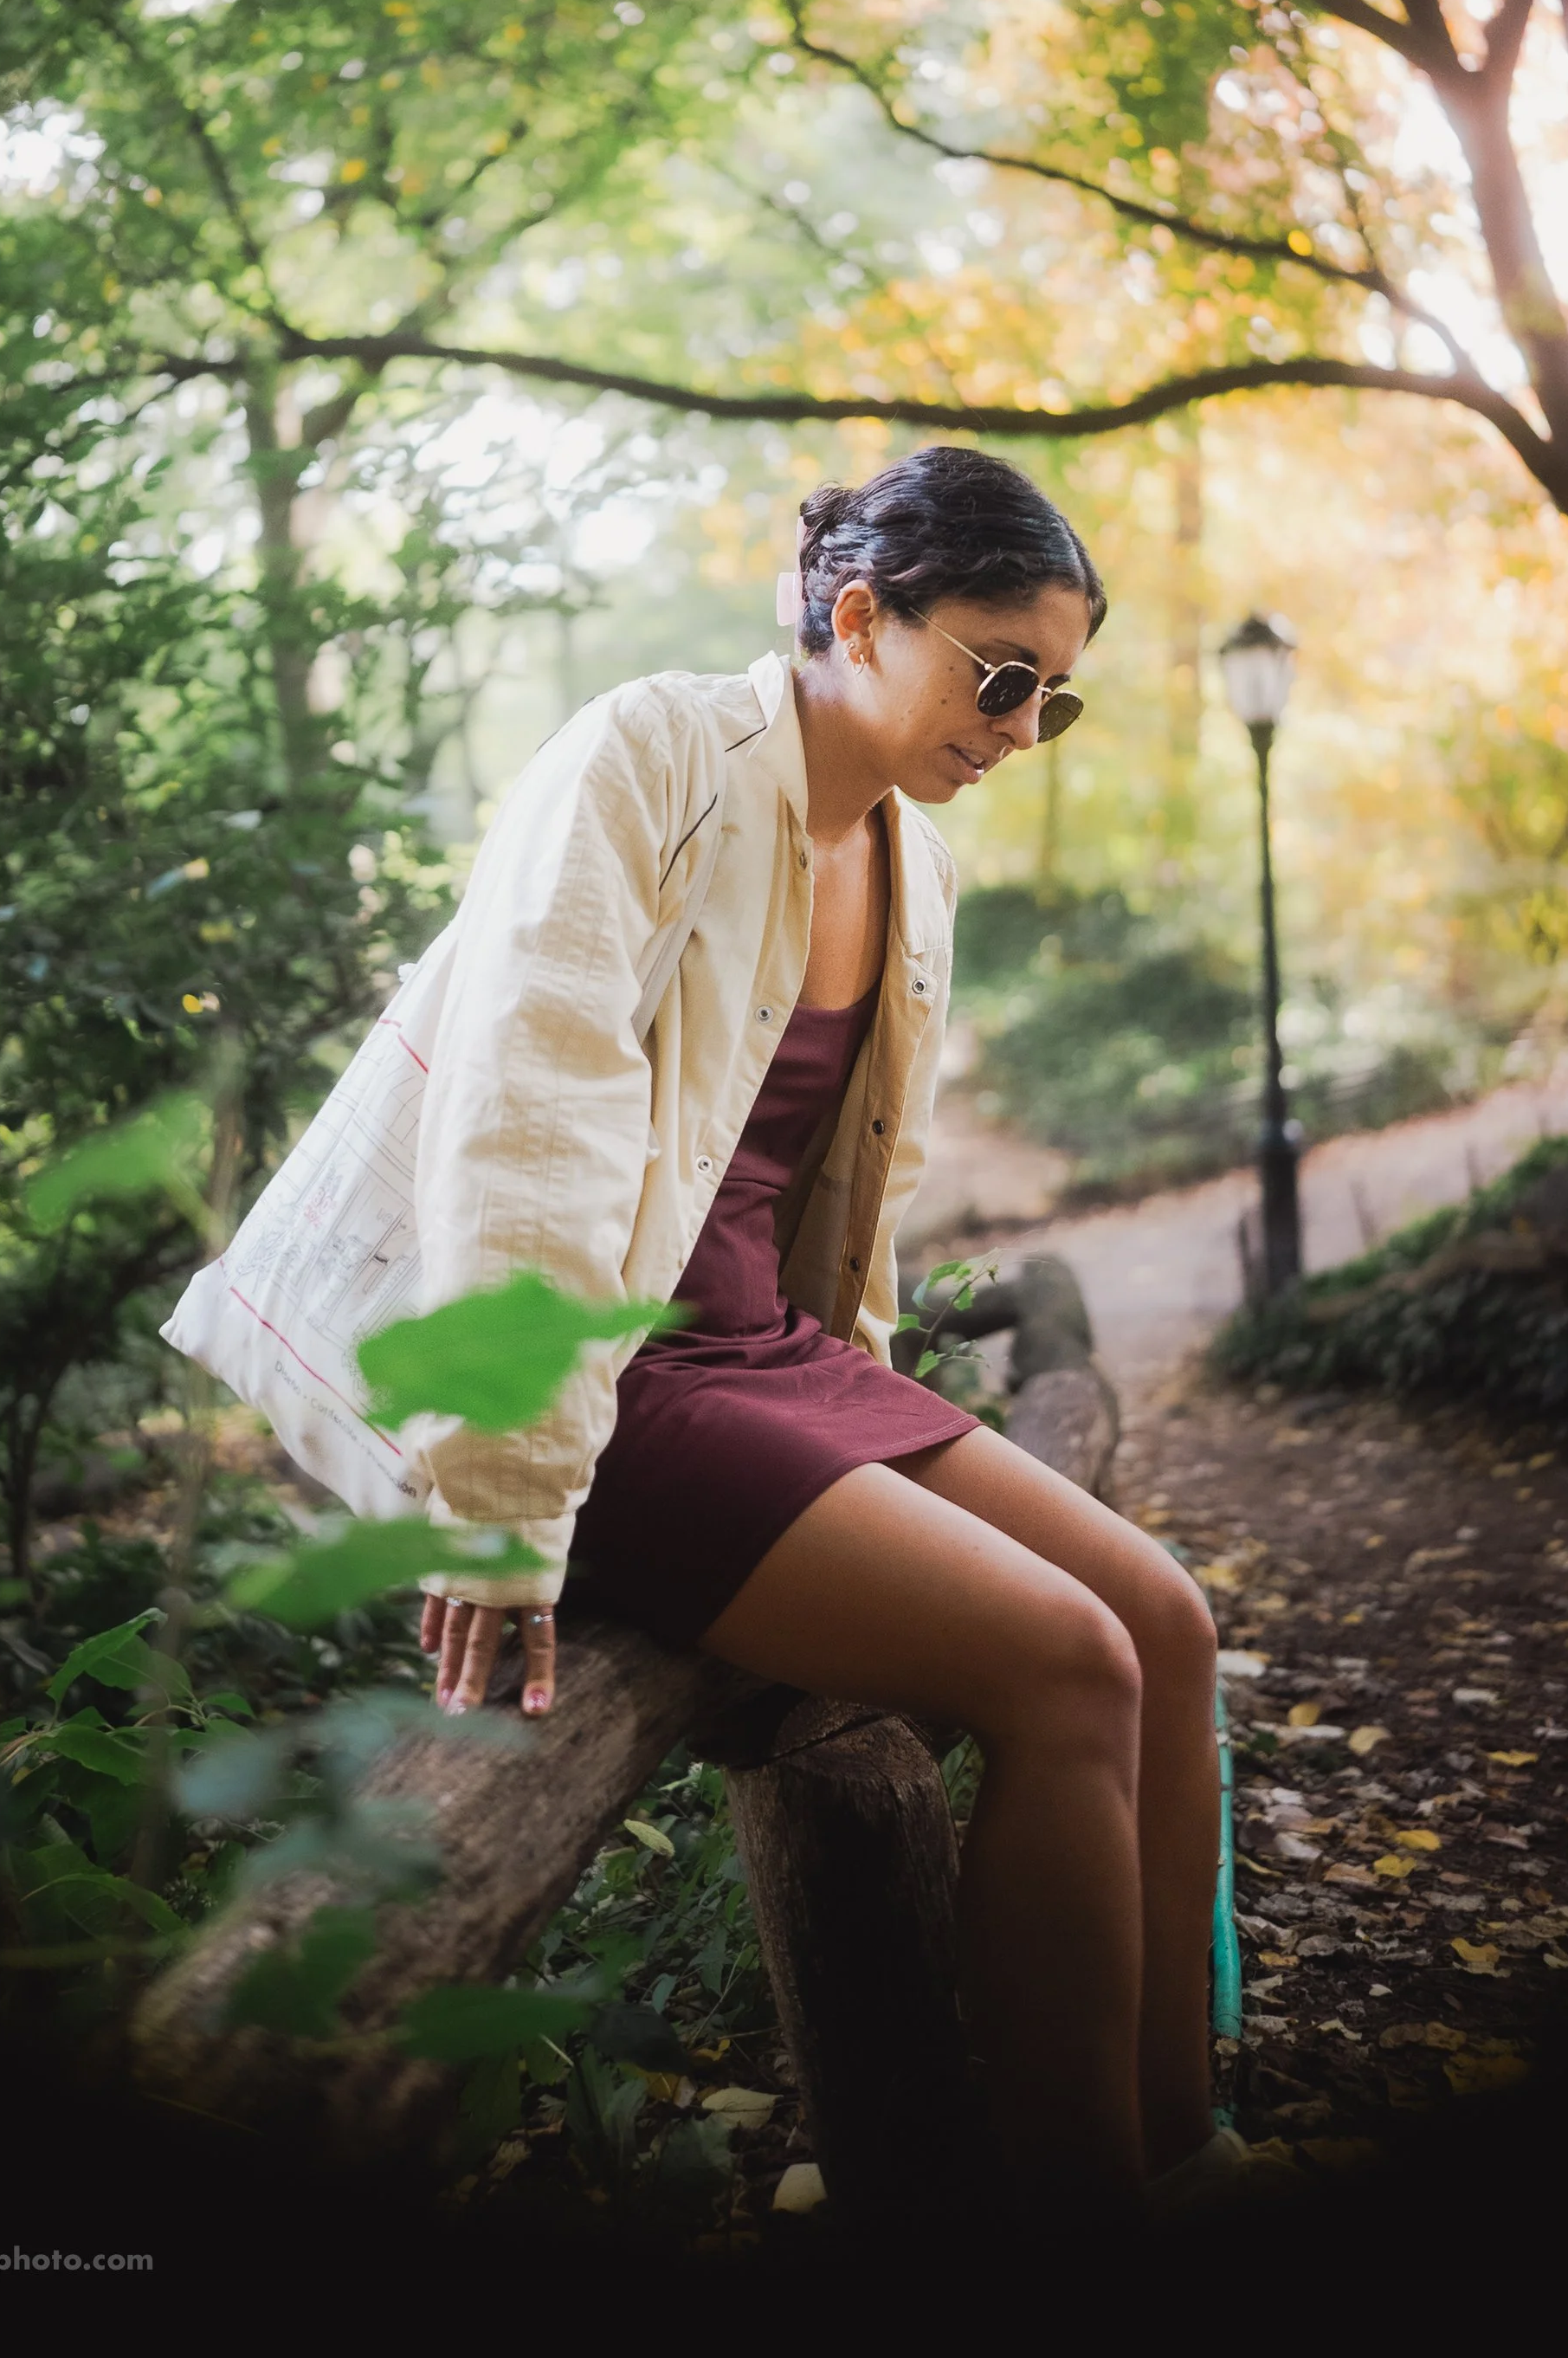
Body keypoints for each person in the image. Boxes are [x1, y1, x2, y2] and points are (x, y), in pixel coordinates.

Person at [415, 447, 1227, 2215]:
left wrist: (869, 1413)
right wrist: (495, 1496)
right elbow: (518, 1123)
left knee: (1161, 1618)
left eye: (1053, 696)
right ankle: (1082, 2214)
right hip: (612, 1379)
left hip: (773, 1358)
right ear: (858, 616)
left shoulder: (904, 859)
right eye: (995, 673)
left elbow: (838, 1176)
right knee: (1064, 1663)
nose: (1017, 726)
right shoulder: (648, 759)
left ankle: (1183, 2149)